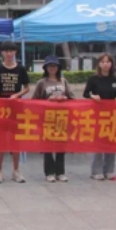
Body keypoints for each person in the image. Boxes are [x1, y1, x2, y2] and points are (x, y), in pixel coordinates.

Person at [84, 52, 116, 180]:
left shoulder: (114, 79)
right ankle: (96, 171)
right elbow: (86, 93)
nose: (105, 64)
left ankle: (109, 170)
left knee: (111, 141)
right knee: (98, 143)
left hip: (112, 115)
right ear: (99, 64)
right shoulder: (93, 79)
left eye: (108, 62)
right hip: (97, 115)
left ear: (112, 64)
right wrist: (93, 96)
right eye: (103, 62)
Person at [0, 41, 30, 183]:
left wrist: (17, 95)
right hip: (1, 108)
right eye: (6, 51)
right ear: (2, 53)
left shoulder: (21, 69)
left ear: (15, 52)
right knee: (0, 139)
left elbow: (27, 88)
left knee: (15, 140)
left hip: (16, 108)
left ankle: (16, 170)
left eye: (11, 51)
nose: (9, 53)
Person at [31, 55, 74, 183]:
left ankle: (60, 172)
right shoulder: (41, 83)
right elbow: (34, 101)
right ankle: (49, 172)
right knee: (48, 146)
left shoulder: (64, 81)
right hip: (47, 119)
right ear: (46, 68)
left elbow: (72, 98)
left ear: (58, 68)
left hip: (61, 118)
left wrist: (64, 99)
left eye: (54, 66)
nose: (52, 68)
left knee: (61, 146)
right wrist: (47, 101)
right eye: (50, 66)